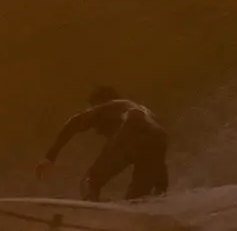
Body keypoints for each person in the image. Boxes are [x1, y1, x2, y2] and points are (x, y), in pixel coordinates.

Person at [36, 86, 169, 201]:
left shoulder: (112, 105)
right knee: (137, 198)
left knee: (89, 182)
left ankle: (91, 205)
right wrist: (161, 189)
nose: (96, 130)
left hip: (132, 128)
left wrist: (50, 157)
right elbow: (160, 168)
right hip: (159, 138)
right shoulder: (147, 116)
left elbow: (74, 123)